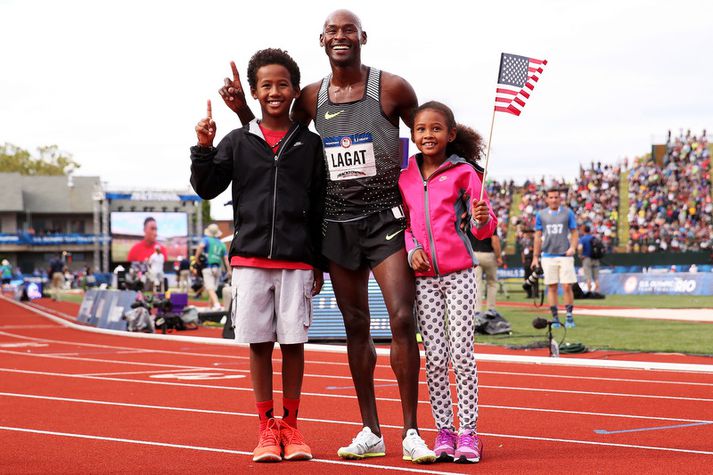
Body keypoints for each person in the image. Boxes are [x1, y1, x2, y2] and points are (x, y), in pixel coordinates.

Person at [218, 9, 430, 462]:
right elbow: (279, 134)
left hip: (385, 220)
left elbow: (428, 137)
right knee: (356, 325)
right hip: (337, 222)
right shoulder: (312, 96)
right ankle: (371, 430)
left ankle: (411, 430)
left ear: (363, 37)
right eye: (332, 31)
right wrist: (240, 110)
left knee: (401, 317)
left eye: (348, 30)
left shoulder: (392, 88)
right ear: (321, 40)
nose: (341, 37)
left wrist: (449, 182)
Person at [191, 48, 325, 463]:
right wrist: (203, 147)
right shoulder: (238, 141)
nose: (274, 91)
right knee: (260, 346)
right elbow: (207, 187)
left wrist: (318, 261)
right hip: (249, 260)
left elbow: (319, 204)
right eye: (266, 85)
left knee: (295, 344)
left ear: (294, 90)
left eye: (282, 84)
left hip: (297, 259)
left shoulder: (310, 144)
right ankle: (267, 429)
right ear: (254, 91)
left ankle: (293, 425)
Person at [399, 101, 495, 464]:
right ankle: (444, 430)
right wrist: (411, 251)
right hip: (423, 279)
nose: (428, 135)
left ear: (450, 134)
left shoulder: (464, 173)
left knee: (462, 354)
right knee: (435, 357)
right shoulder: (405, 176)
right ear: (413, 135)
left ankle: (468, 432)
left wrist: (483, 219)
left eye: (436, 128)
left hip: (459, 274)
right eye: (421, 129)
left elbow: (482, 226)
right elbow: (405, 226)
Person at [531, 188, 579, 328]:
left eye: (556, 197)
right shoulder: (541, 214)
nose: (553, 199)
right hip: (548, 255)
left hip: (565, 254)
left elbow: (574, 232)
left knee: (566, 286)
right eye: (551, 197)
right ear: (547, 199)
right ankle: (555, 318)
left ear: (560, 198)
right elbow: (537, 236)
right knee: (551, 287)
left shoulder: (567, 213)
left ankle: (569, 316)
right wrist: (535, 257)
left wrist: (573, 247)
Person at [195, 224, 229, 310]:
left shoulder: (206, 239)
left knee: (210, 289)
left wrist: (196, 259)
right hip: (218, 268)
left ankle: (217, 306)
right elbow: (225, 258)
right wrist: (229, 270)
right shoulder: (221, 244)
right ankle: (210, 308)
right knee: (213, 289)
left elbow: (201, 246)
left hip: (208, 266)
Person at [472, 232, 503, 320]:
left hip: (474, 254)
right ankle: (491, 309)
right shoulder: (489, 218)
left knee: (477, 284)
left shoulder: (469, 219)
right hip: (488, 254)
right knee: (492, 283)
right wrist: (499, 256)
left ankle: (477, 311)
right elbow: (495, 240)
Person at [578, 224, 601, 294]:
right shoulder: (594, 238)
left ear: (584, 231)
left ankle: (589, 292)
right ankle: (597, 292)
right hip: (596, 259)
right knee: (596, 277)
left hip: (586, 259)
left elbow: (580, 247)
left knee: (588, 277)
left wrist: (580, 255)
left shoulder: (583, 238)